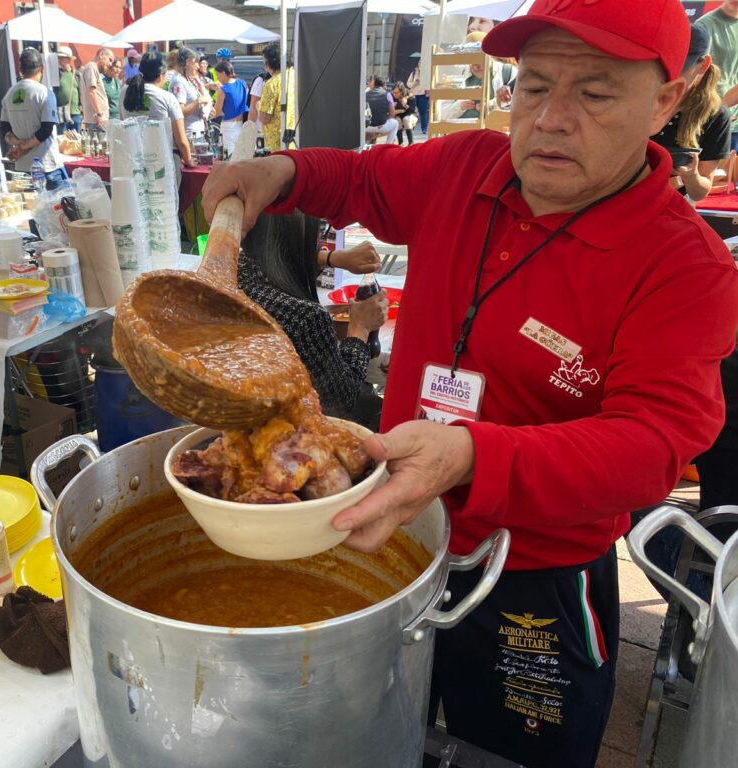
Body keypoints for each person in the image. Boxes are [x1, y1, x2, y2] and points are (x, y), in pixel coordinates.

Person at [201, 1, 738, 766]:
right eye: (533, 85)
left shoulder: (684, 265)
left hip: (535, 580)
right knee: (367, 735)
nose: (552, 119)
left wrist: (472, 457)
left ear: (667, 100)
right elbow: (349, 178)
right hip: (391, 543)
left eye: (594, 92)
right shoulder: (466, 168)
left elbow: (652, 445)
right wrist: (273, 171)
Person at [240, 213, 388, 423]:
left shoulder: (233, 272)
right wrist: (360, 329)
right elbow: (341, 401)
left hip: (247, 410)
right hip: (293, 427)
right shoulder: (306, 317)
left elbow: (274, 254)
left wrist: (330, 258)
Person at [652, 23, 730, 202]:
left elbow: (699, 192)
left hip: (671, 207)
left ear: (704, 65)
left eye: (680, 66)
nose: (670, 73)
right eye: (664, 63)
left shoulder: (716, 115)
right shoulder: (641, 97)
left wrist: (691, 175)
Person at [120, 51, 195, 171]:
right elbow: (181, 140)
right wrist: (189, 160)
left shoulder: (124, 92)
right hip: (164, 160)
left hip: (135, 157)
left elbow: (122, 123)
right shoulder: (167, 97)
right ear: (161, 75)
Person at [0, 48, 63, 189]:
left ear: (20, 69)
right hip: (47, 165)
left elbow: (4, 129)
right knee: (56, 208)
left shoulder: (9, 94)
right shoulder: (45, 93)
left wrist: (17, 143)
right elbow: (46, 129)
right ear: (42, 68)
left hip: (22, 167)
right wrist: (24, 146)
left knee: (31, 208)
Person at [696, 0, 738, 151]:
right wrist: (721, 108)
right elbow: (694, 74)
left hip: (733, 121)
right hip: (710, 118)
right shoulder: (704, 25)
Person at [259, 42, 297, 152]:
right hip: (295, 138)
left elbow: (264, 118)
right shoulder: (295, 75)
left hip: (277, 143)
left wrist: (258, 106)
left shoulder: (272, 83)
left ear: (269, 62)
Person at [170, 47, 212, 136]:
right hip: (189, 134)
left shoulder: (187, 80)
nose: (198, 66)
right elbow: (179, 112)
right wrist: (199, 101)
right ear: (186, 62)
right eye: (195, 62)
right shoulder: (178, 81)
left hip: (197, 132)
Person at [211, 61, 248, 157]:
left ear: (223, 73)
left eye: (218, 75)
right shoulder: (242, 83)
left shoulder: (223, 90)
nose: (218, 79)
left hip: (228, 127)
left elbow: (217, 112)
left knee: (228, 158)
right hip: (241, 125)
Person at [81, 47, 113, 132]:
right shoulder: (91, 67)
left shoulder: (92, 68)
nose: (110, 64)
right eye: (109, 60)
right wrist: (99, 114)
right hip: (95, 121)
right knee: (98, 145)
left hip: (96, 121)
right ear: (101, 55)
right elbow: (91, 92)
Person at [365, 75, 399, 145]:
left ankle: (365, 146)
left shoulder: (365, 94)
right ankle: (388, 146)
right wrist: (385, 118)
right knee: (395, 123)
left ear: (374, 84)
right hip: (381, 126)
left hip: (366, 127)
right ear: (384, 85)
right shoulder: (388, 95)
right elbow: (392, 114)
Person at [55, 47, 81, 134]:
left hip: (75, 113)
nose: (59, 60)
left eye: (62, 58)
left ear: (69, 59)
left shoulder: (77, 74)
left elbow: (81, 93)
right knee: (62, 141)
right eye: (59, 57)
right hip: (61, 114)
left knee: (77, 142)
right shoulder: (56, 75)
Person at [408, 62, 429, 135]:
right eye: (420, 63)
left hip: (423, 95)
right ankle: (411, 127)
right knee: (413, 112)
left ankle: (424, 129)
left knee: (423, 113)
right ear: (418, 64)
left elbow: (430, 83)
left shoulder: (427, 73)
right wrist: (414, 83)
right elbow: (408, 84)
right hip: (414, 95)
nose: (421, 65)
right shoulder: (413, 73)